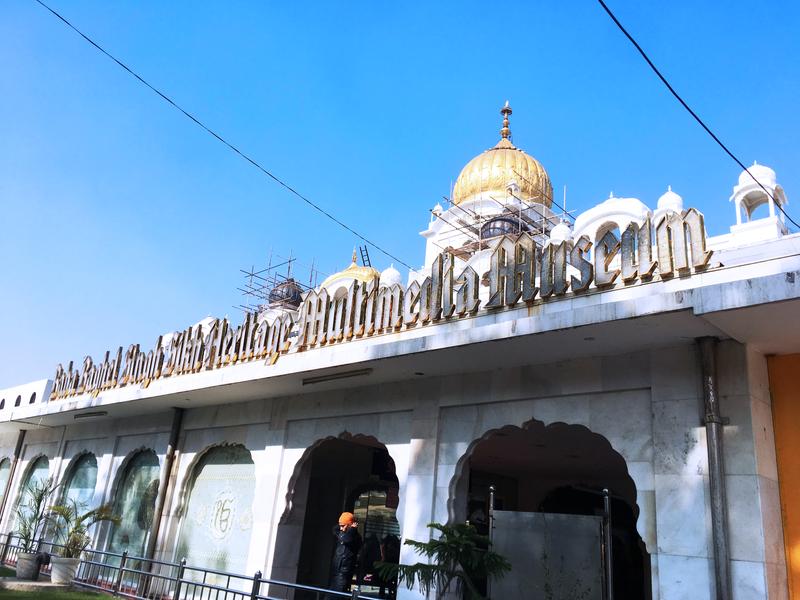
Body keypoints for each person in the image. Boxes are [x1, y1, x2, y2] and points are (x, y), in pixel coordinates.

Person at [329, 512, 362, 595]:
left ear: (350, 525)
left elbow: (347, 539)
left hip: (343, 573)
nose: (341, 528)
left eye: (343, 526)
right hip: (336, 571)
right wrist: (343, 523)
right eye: (340, 525)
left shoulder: (354, 536)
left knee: (336, 596)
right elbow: (334, 529)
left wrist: (352, 529)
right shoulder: (341, 532)